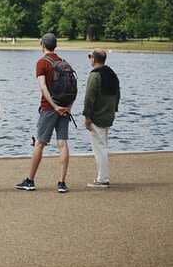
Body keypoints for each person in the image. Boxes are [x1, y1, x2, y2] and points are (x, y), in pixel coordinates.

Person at [16, 33, 73, 193]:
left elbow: (43, 88)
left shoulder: (42, 63)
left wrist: (54, 106)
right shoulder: (64, 62)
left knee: (40, 143)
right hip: (65, 108)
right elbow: (72, 87)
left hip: (49, 108)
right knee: (62, 144)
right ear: (56, 45)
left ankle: (30, 180)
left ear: (42, 45)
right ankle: (61, 183)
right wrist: (68, 107)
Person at [83, 48, 120, 188]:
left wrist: (87, 116)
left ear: (94, 59)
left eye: (90, 57)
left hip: (97, 117)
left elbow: (89, 97)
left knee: (100, 149)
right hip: (108, 116)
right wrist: (113, 109)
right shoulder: (112, 74)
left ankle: (103, 179)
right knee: (103, 146)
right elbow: (118, 94)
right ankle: (102, 177)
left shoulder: (94, 76)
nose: (90, 59)